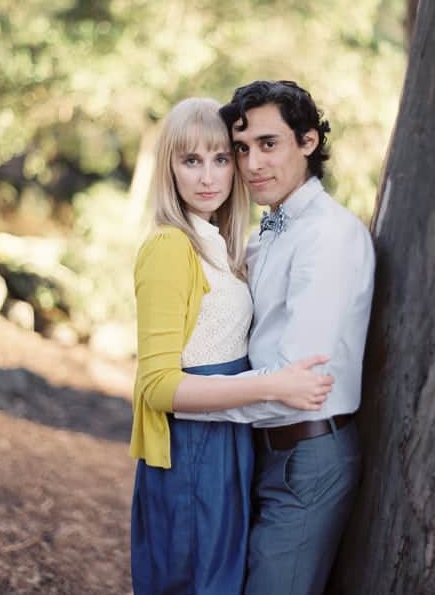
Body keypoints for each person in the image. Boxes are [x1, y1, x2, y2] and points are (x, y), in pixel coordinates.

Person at [176, 81, 376, 594]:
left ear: (307, 142)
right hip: (260, 450)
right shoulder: (268, 231)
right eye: (241, 149)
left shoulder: (328, 236)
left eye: (269, 144)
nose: (251, 164)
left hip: (306, 456)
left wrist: (188, 402)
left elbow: (295, 377)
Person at [129, 96, 335, 595]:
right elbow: (157, 386)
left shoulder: (220, 245)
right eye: (191, 160)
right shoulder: (169, 247)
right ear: (169, 169)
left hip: (229, 443)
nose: (208, 177)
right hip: (191, 449)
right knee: (194, 582)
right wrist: (271, 385)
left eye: (221, 159)